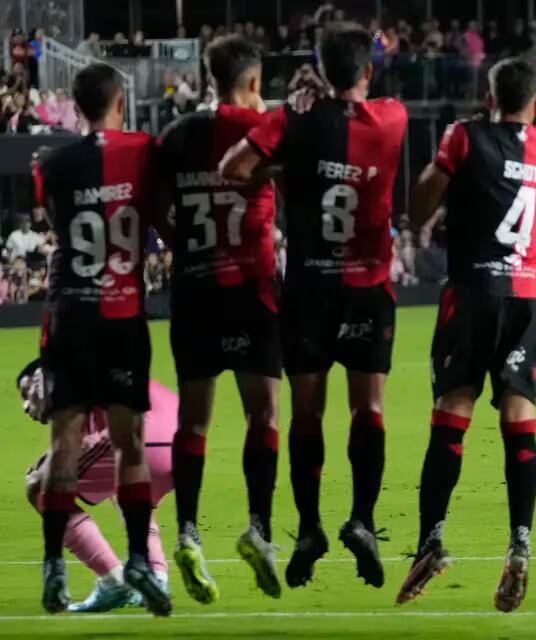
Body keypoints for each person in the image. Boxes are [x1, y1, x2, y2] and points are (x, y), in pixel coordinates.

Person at [220, 27, 407, 590]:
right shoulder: (394, 117)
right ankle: (365, 521)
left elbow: (234, 168)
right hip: (368, 287)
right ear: (367, 73)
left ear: (319, 72)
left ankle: (307, 528)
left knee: (305, 414)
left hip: (307, 289)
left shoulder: (290, 123)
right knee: (367, 409)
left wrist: (289, 168)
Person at [395, 56, 536, 613]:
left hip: (471, 296)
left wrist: (447, 176)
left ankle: (431, 539)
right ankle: (520, 542)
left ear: (489, 97)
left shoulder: (463, 137)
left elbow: (418, 208)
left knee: (452, 411)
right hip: (528, 297)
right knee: (519, 417)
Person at [31, 62, 171, 615]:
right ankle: (138, 556)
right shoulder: (142, 151)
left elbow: (57, 221)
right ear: (120, 102)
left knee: (62, 445)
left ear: (75, 105)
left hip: (68, 311)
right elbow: (156, 211)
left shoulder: (52, 165)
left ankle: (53, 565)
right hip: (121, 312)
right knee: (128, 441)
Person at [156, 35, 282, 604]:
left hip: (194, 287)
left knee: (195, 421)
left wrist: (179, 240)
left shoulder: (178, 135)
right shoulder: (264, 130)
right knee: (264, 414)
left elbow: (154, 205)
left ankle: (187, 532)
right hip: (251, 289)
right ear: (253, 82)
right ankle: (258, 528)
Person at [19, 362, 176, 613]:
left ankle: (114, 581)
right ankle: (156, 577)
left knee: (39, 486)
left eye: (27, 394)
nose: (26, 406)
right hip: (181, 447)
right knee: (126, 490)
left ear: (42, 380)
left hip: (144, 438)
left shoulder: (70, 380)